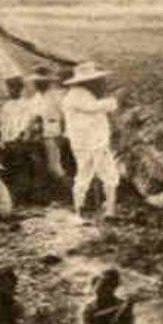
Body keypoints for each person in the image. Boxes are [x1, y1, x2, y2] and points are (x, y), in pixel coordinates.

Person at [62, 61, 123, 219]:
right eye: (97, 81)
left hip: (87, 142)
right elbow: (94, 107)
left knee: (86, 174)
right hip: (92, 142)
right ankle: (106, 210)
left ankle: (82, 209)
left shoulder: (77, 94)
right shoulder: (78, 95)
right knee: (106, 174)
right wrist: (114, 101)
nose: (100, 83)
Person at [26, 67, 67, 194]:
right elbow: (31, 119)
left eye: (42, 81)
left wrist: (64, 134)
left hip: (53, 133)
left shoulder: (56, 96)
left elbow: (65, 115)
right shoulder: (35, 99)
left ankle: (71, 191)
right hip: (38, 135)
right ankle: (44, 193)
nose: (39, 84)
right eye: (37, 82)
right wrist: (29, 132)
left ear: (48, 82)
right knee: (36, 163)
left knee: (54, 167)